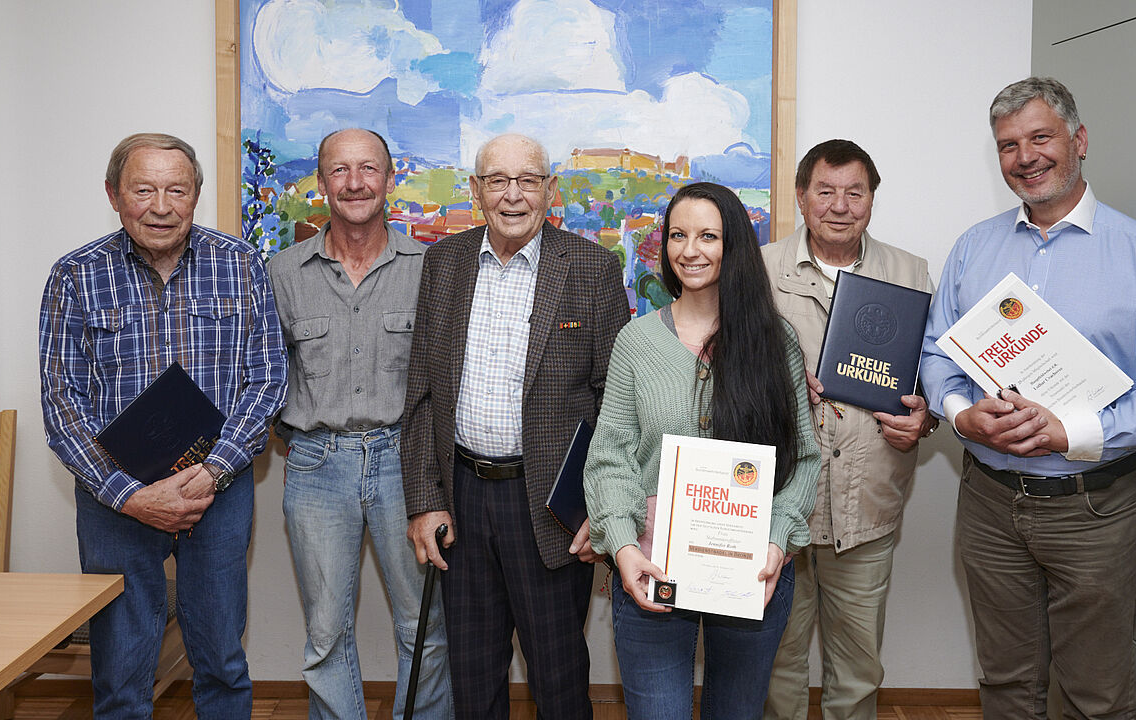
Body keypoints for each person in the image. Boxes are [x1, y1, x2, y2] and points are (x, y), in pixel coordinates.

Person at [920, 77, 1136, 718]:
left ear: (1079, 140)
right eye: (1007, 145)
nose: (1025, 157)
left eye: (1040, 137)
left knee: (1095, 696)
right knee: (1005, 684)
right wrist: (961, 413)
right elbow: (938, 351)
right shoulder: (974, 248)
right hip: (990, 504)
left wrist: (1069, 432)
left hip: (1096, 512)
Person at [38, 132, 287, 718]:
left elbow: (268, 380)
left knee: (223, 661)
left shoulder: (241, 264)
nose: (161, 205)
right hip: (116, 501)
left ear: (196, 193)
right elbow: (61, 403)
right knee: (121, 672)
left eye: (177, 189)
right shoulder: (75, 276)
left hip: (216, 495)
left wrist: (214, 472)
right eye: (143, 189)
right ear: (113, 194)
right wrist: (133, 497)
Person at [401, 133, 629, 720]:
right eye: (497, 181)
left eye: (528, 180)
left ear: (549, 190)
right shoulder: (444, 263)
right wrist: (425, 501)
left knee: (559, 681)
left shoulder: (592, 267)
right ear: (476, 191)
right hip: (463, 501)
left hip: (551, 510)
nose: (513, 195)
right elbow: (422, 395)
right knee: (473, 681)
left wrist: (593, 510)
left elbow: (613, 401)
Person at [583, 181, 820, 719]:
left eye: (707, 236)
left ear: (733, 244)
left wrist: (778, 542)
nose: (690, 250)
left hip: (752, 572)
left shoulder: (773, 341)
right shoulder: (637, 341)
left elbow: (803, 458)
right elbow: (610, 458)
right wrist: (622, 548)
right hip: (652, 569)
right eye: (678, 235)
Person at [267, 128, 451, 719]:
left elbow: (446, 379)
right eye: (339, 171)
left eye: (368, 169)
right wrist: (299, 441)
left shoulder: (432, 268)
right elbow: (266, 375)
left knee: (422, 625)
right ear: (321, 184)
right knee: (325, 635)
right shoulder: (283, 273)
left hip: (409, 464)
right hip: (318, 465)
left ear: (390, 180)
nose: (355, 183)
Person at [760, 140, 937, 720]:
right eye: (825, 191)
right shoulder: (760, 273)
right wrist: (781, 389)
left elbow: (933, 375)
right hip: (778, 508)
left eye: (854, 192)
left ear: (871, 200)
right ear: (801, 196)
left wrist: (925, 417)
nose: (839, 205)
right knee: (776, 662)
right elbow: (720, 378)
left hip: (867, 504)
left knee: (858, 668)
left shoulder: (910, 273)